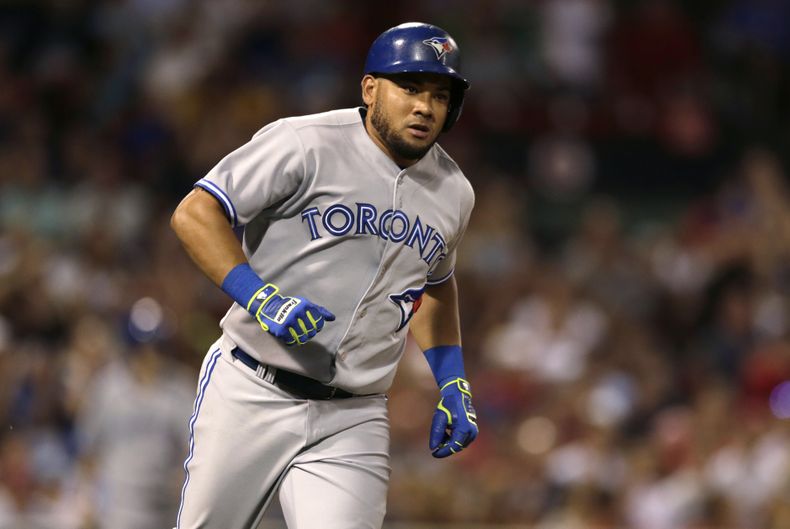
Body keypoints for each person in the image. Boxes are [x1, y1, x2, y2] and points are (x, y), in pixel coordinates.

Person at [169, 22, 478, 529]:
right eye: (410, 87)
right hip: (252, 388)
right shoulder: (305, 143)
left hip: (353, 417)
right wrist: (261, 298)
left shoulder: (454, 192)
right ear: (370, 88)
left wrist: (453, 381)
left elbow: (435, 284)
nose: (425, 106)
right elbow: (196, 213)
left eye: (439, 94)